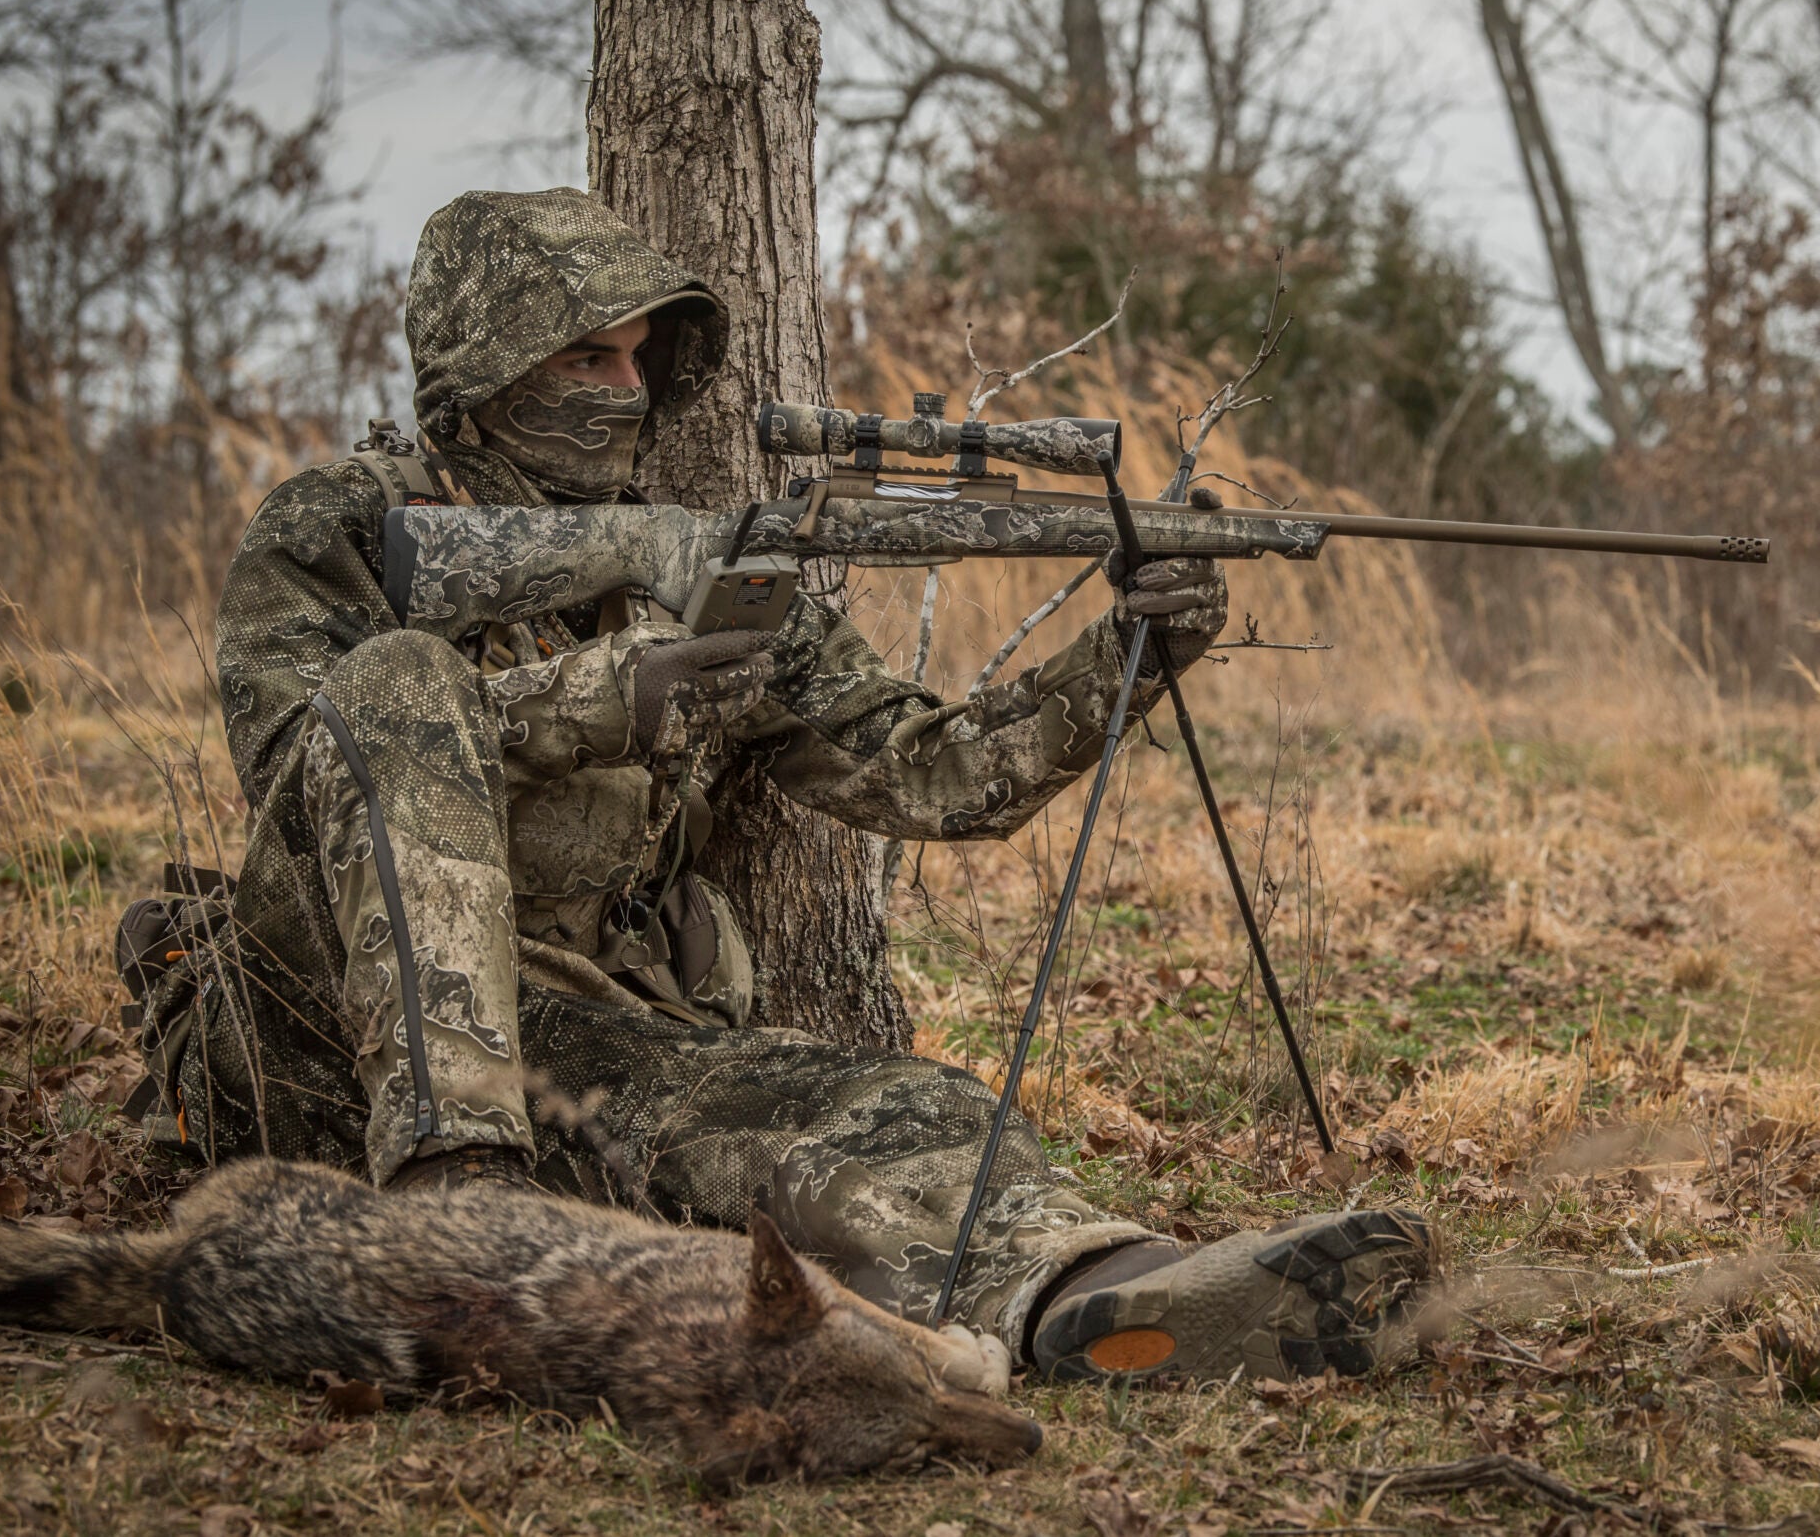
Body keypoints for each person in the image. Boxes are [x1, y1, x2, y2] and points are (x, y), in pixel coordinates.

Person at [156, 186, 1428, 1384]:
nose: (623, 391)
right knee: (393, 679)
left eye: (637, 360)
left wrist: (1131, 656)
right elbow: (302, 774)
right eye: (581, 360)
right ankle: (457, 1216)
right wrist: (606, 698)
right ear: (482, 375)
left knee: (902, 1108)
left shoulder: (703, 566)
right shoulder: (345, 524)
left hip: (570, 1034)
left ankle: (1114, 1298)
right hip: (312, 1027)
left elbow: (938, 775)